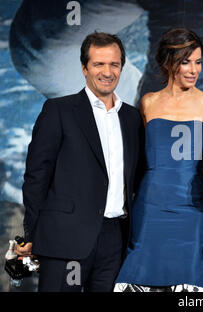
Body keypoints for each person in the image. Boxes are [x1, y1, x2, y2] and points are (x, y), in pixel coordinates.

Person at [17, 32, 144, 292]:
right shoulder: (58, 110)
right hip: (65, 238)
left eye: (114, 64)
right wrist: (32, 233)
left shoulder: (132, 118)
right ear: (85, 68)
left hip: (116, 238)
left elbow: (138, 177)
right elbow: (36, 177)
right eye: (99, 64)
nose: (107, 72)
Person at [114, 28, 203, 292]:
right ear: (168, 62)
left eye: (198, 61)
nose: (193, 69)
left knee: (192, 280)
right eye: (186, 61)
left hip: (192, 212)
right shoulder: (148, 103)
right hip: (150, 208)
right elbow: (136, 159)